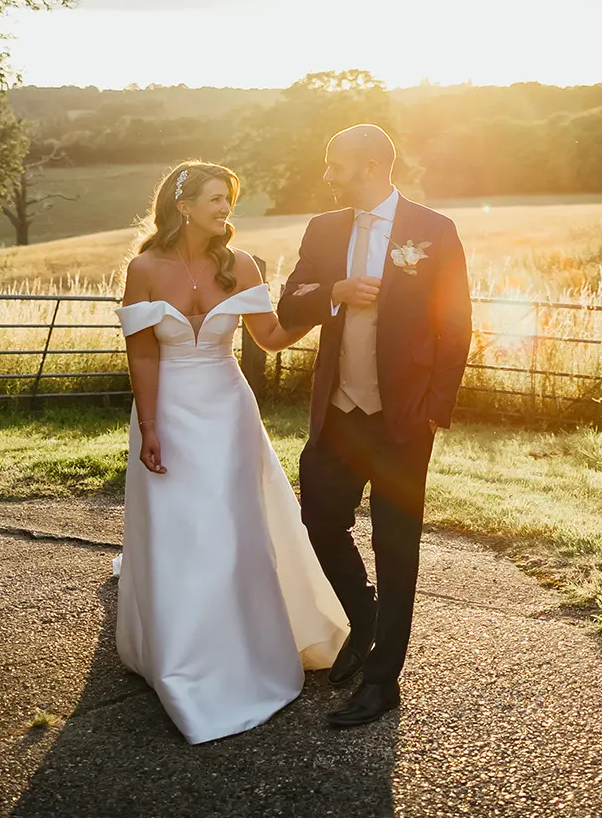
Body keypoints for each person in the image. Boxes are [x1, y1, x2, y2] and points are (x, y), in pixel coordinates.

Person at [113, 161, 349, 744]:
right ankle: (180, 657)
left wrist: (328, 302)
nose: (225, 210)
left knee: (233, 529)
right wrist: (148, 425)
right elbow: (143, 354)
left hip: (227, 411)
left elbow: (269, 337)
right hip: (167, 411)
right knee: (179, 531)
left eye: (229, 200)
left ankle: (245, 651)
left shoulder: (239, 265)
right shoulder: (143, 268)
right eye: (216, 199)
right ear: (184, 204)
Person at [277, 124, 473, 728]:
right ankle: (362, 618)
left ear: (368, 165)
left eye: (335, 165)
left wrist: (433, 411)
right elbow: (290, 301)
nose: (328, 175)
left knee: (396, 547)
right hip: (337, 414)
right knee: (319, 521)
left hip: (402, 422)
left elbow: (457, 324)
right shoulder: (324, 228)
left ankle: (382, 681)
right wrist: (333, 291)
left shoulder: (433, 231)